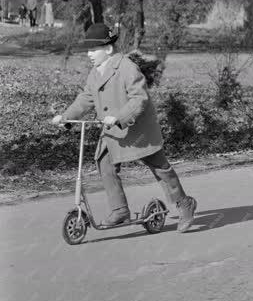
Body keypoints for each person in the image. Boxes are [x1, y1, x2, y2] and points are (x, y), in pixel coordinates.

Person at [52, 23, 197, 232]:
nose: (89, 55)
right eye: (88, 50)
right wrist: (65, 117)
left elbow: (139, 98)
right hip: (113, 132)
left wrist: (119, 117)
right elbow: (85, 98)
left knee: (160, 167)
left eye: (93, 50)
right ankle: (119, 209)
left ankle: (184, 203)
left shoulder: (127, 67)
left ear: (108, 49)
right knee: (104, 163)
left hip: (138, 130)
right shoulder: (95, 74)